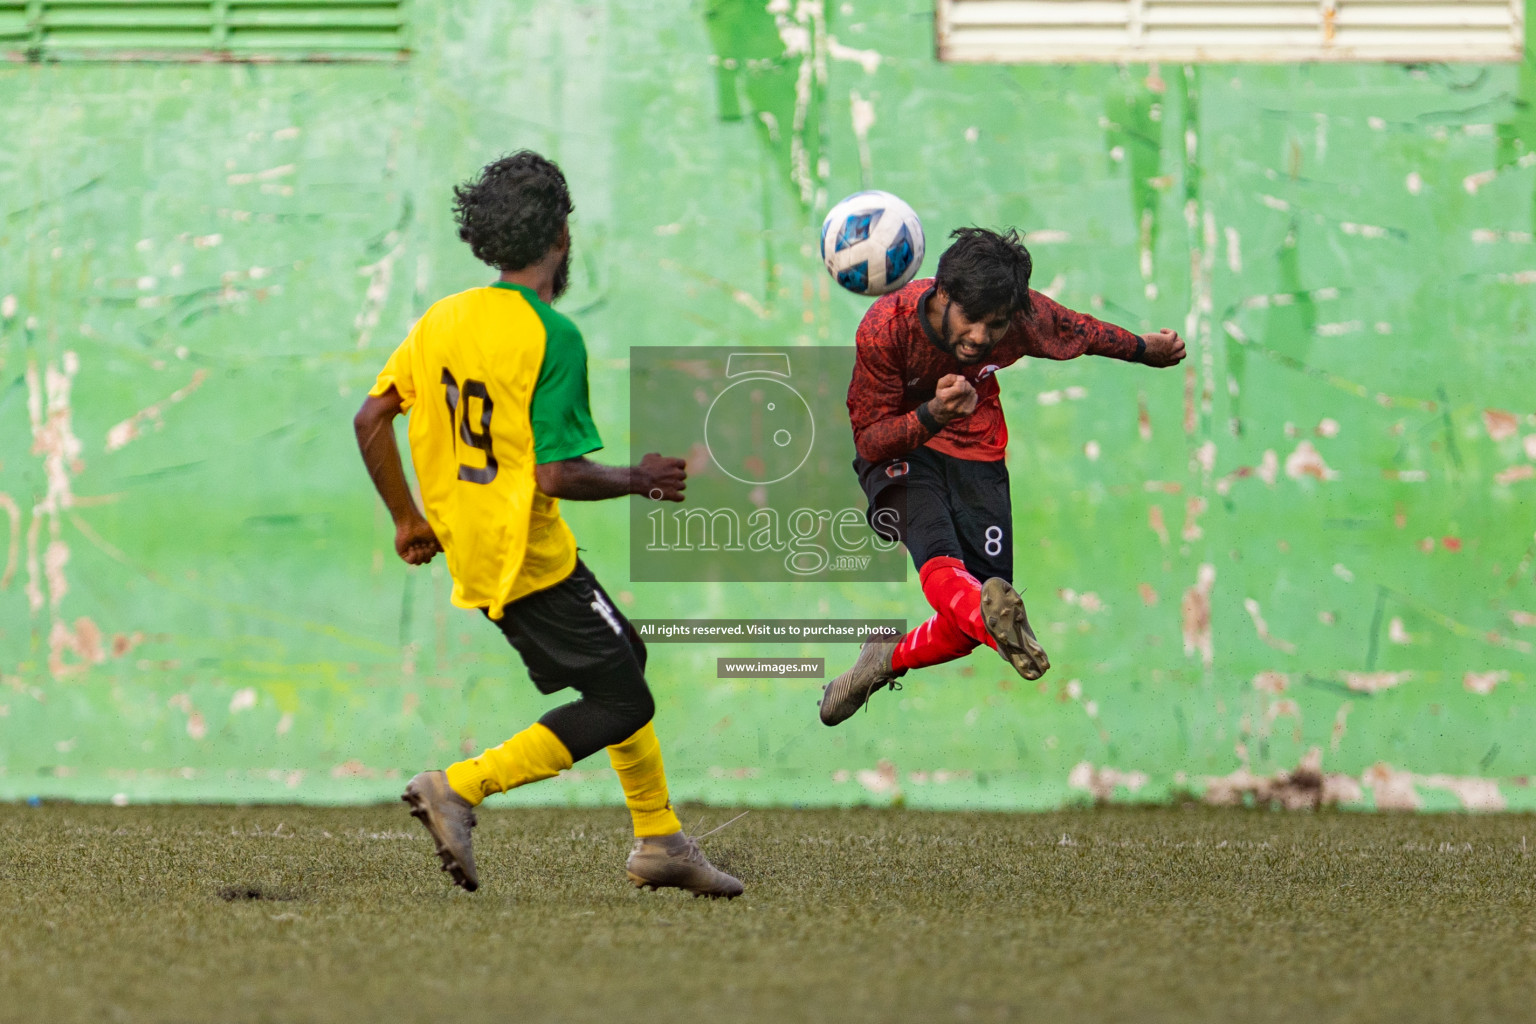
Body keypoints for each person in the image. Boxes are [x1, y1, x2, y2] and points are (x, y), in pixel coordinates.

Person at [353, 151, 742, 898]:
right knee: (624, 700)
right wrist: (641, 479)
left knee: (624, 658)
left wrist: (408, 520)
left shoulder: (443, 318)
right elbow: (556, 476)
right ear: (562, 235)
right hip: (525, 556)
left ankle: (660, 839)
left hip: (482, 551)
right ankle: (459, 786)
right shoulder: (552, 336)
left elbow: (372, 416)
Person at [820, 227, 1186, 726]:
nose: (980, 337)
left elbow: (1077, 329)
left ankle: (886, 658)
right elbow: (870, 438)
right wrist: (931, 414)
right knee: (948, 569)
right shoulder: (886, 327)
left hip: (976, 450)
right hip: (902, 449)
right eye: (971, 320)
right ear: (943, 294)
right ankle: (981, 618)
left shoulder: (1020, 317)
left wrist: (1146, 349)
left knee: (979, 613)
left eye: (994, 326)